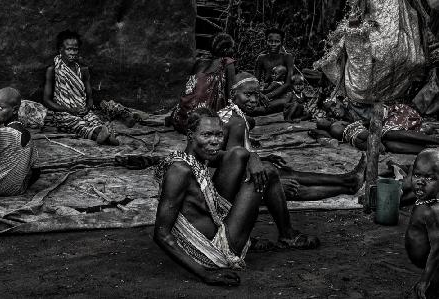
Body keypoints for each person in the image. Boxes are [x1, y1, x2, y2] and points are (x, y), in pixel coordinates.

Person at [154, 108, 319, 286]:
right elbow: (161, 234)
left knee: (240, 155)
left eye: (219, 135)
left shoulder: (197, 157)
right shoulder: (180, 170)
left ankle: (267, 235)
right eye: (207, 135)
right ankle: (288, 236)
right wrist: (205, 275)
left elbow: (238, 154)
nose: (214, 142)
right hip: (212, 251)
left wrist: (254, 158)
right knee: (269, 172)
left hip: (215, 226)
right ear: (190, 135)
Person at [217, 72, 366, 201]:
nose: (254, 100)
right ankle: (347, 187)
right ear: (233, 95)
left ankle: (346, 180)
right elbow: (235, 164)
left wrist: (263, 159)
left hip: (233, 178)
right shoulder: (237, 122)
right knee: (291, 186)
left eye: (256, 94)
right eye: (248, 94)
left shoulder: (231, 114)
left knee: (287, 173)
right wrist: (275, 181)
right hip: (232, 189)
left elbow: (234, 158)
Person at [43, 30, 119, 145]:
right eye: (69, 49)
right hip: (63, 112)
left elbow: (89, 97)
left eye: (75, 49)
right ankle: (105, 137)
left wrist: (87, 108)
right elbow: (46, 100)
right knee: (77, 124)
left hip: (82, 110)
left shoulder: (83, 71)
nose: (72, 53)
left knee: (94, 121)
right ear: (60, 50)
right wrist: (69, 110)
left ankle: (102, 134)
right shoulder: (53, 70)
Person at [170, 33, 236, 133]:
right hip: (205, 122)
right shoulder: (227, 63)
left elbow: (190, 90)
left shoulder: (199, 61)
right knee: (245, 121)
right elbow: (231, 95)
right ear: (228, 48)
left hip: (183, 120)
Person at [310, 108, 439, 154]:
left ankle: (430, 147)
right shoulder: (336, 126)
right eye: (322, 121)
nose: (324, 119)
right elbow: (363, 125)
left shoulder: (336, 127)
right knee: (391, 137)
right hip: (362, 136)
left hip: (361, 138)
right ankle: (433, 142)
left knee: (391, 145)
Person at [0, 87, 40, 196]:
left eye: (0, 108)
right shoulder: (29, 137)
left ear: (15, 110)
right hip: (18, 190)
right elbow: (36, 172)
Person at [405, 149, 439, 299]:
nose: (420, 182)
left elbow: (437, 249)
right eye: (417, 175)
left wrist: (425, 280)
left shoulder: (433, 211)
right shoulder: (425, 199)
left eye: (429, 178)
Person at [253, 28, 294, 115]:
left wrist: (268, 96)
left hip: (282, 94)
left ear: (282, 43)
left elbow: (288, 83)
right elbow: (255, 81)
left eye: (277, 41)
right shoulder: (261, 58)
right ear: (266, 41)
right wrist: (260, 95)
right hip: (265, 92)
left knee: (259, 109)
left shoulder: (287, 57)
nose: (273, 44)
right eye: (270, 41)